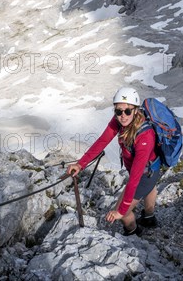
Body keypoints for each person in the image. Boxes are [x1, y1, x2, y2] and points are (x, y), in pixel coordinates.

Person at [67, 87, 161, 236]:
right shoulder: (120, 121)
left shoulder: (145, 136)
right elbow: (102, 141)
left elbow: (135, 179)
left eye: (127, 111)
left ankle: (134, 231)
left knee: (124, 214)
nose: (123, 116)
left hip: (145, 173)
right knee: (150, 187)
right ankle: (149, 218)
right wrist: (81, 164)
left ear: (135, 110)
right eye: (118, 111)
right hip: (152, 169)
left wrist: (121, 211)